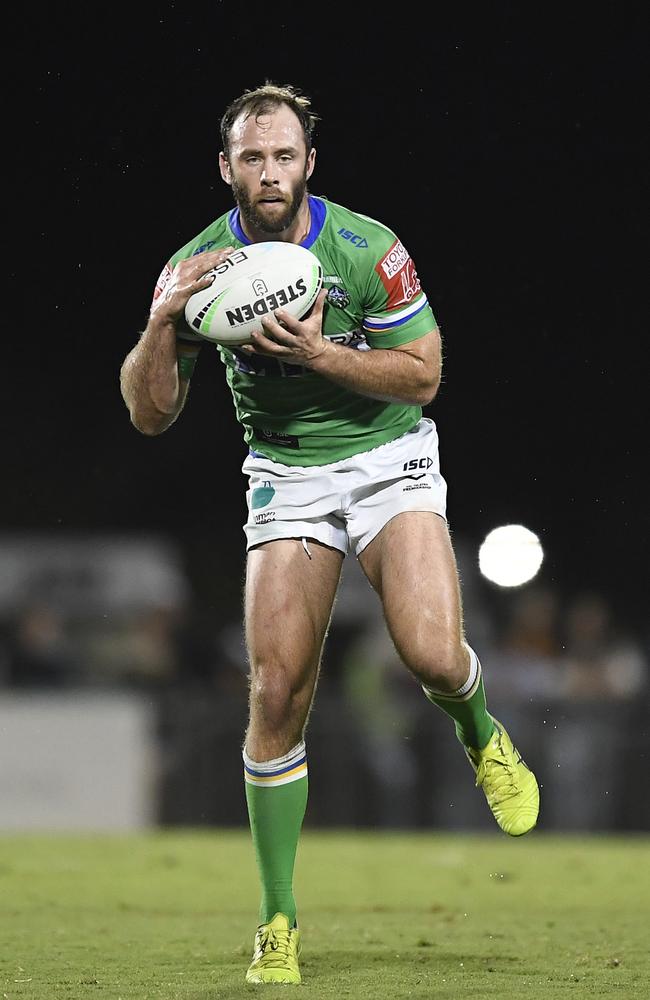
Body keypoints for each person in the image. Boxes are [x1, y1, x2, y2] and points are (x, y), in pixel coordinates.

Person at [119, 81, 540, 986]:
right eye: (250, 157)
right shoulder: (195, 268)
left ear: (310, 161)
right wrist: (161, 324)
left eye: (283, 155)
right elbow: (150, 415)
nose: (268, 173)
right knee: (274, 692)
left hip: (391, 461)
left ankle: (479, 730)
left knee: (431, 655)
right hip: (285, 477)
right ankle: (277, 922)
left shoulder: (367, 249)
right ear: (225, 166)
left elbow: (423, 377)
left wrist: (320, 357)